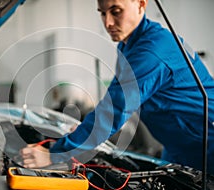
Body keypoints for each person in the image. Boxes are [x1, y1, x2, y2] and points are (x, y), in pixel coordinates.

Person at [21, 0, 214, 174]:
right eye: (102, 13)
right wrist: (83, 131)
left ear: (141, 4)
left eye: (116, 11)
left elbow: (112, 112)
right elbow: (115, 99)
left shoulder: (151, 51)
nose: (108, 23)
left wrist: (56, 154)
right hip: (178, 146)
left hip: (207, 146)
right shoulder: (129, 45)